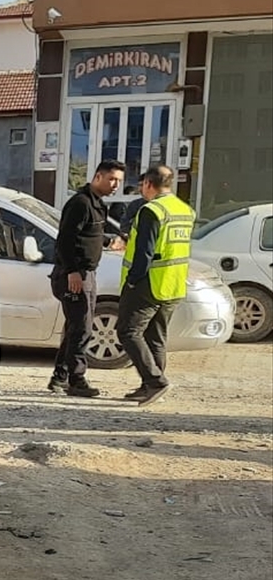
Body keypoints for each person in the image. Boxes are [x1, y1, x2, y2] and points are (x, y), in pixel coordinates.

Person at [117, 165, 195, 406]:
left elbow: (145, 252)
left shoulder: (152, 210)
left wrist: (132, 280)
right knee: (155, 337)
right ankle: (150, 385)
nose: (141, 189)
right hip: (174, 283)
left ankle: (155, 382)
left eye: (142, 185)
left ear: (149, 184)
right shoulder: (185, 210)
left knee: (127, 332)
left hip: (149, 283)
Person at [47, 160, 125, 397]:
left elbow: (89, 234)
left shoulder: (98, 204)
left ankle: (59, 377)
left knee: (74, 328)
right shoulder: (80, 203)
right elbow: (65, 240)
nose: (115, 185)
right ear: (98, 176)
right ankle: (76, 380)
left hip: (87, 273)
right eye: (112, 179)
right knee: (81, 329)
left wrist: (108, 241)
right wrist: (72, 272)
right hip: (74, 275)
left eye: (119, 181)